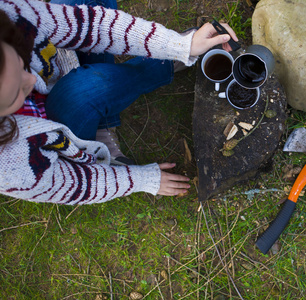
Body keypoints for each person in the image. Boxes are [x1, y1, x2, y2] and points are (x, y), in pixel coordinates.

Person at [0, 0, 238, 204]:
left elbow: (96, 25)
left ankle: (168, 60)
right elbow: (76, 184)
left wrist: (180, 45)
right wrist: (140, 179)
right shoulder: (8, 168)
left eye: (21, 63)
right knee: (85, 89)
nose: (31, 79)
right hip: (62, 136)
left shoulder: (7, 13)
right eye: (14, 95)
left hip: (61, 68)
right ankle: (153, 73)